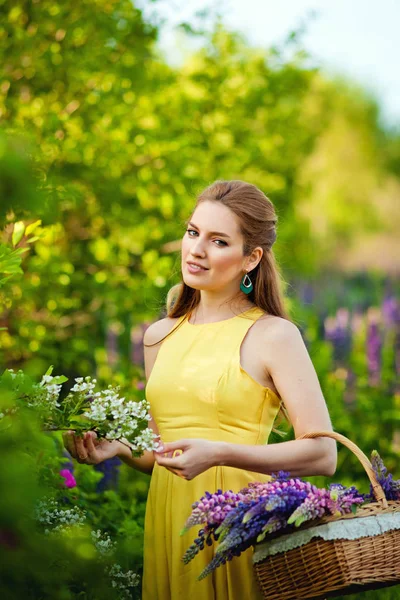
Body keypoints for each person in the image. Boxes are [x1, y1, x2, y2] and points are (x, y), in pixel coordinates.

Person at [63, 179, 337, 600]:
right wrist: (120, 448)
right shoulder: (158, 336)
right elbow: (164, 451)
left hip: (239, 524)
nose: (196, 250)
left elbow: (323, 453)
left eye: (219, 240)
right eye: (193, 232)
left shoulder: (273, 335)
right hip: (172, 524)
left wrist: (221, 452)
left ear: (251, 258)